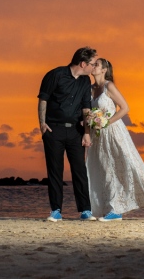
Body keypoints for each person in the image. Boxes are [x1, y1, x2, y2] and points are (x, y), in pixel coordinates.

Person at [86, 58, 144, 221]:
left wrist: (107, 121)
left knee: (131, 164)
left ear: (104, 70)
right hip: (99, 136)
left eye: (96, 65)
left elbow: (125, 108)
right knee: (106, 170)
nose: (93, 66)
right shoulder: (91, 88)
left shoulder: (109, 86)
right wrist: (90, 127)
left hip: (114, 131)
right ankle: (114, 209)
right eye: (92, 64)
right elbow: (88, 112)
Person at [38, 46, 98, 221]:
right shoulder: (55, 74)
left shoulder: (85, 81)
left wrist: (87, 132)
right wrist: (42, 124)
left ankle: (85, 210)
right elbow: (43, 99)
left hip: (75, 131)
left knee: (80, 170)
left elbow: (87, 107)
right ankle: (56, 210)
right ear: (82, 63)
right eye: (92, 64)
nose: (94, 68)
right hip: (53, 129)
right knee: (55, 171)